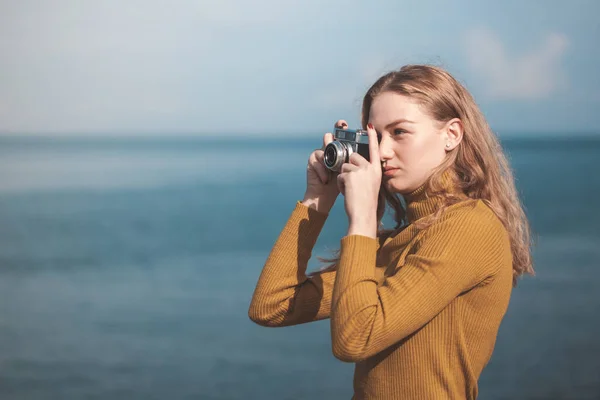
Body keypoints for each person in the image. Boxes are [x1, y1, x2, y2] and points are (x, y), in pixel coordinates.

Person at [248, 64, 535, 400]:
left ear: (452, 135)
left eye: (400, 132)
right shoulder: (399, 241)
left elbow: (355, 338)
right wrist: (317, 201)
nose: (382, 153)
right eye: (377, 137)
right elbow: (271, 305)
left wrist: (363, 219)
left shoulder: (469, 227)